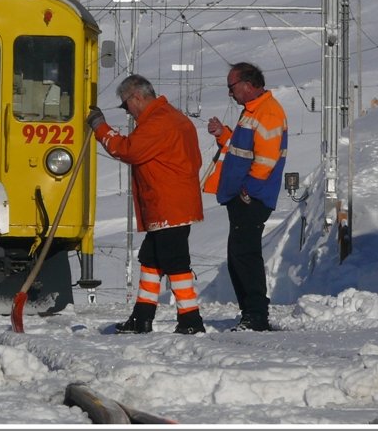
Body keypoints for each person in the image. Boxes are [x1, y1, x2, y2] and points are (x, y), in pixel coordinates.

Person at [87, 75, 205, 335]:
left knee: (175, 262)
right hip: (172, 202)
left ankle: (190, 320)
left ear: (136, 97)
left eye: (125, 105)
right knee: (151, 259)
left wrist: (100, 128)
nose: (127, 111)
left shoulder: (159, 122)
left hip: (168, 204)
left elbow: (127, 150)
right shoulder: (173, 117)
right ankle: (142, 317)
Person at [204, 62, 288, 332]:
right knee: (238, 256)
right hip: (243, 195)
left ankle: (256, 316)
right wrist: (223, 135)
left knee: (245, 256)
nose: (230, 93)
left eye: (232, 87)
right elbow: (242, 149)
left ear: (248, 85)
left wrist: (248, 189)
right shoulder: (253, 111)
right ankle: (250, 314)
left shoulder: (268, 112)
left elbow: (266, 158)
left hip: (252, 197)